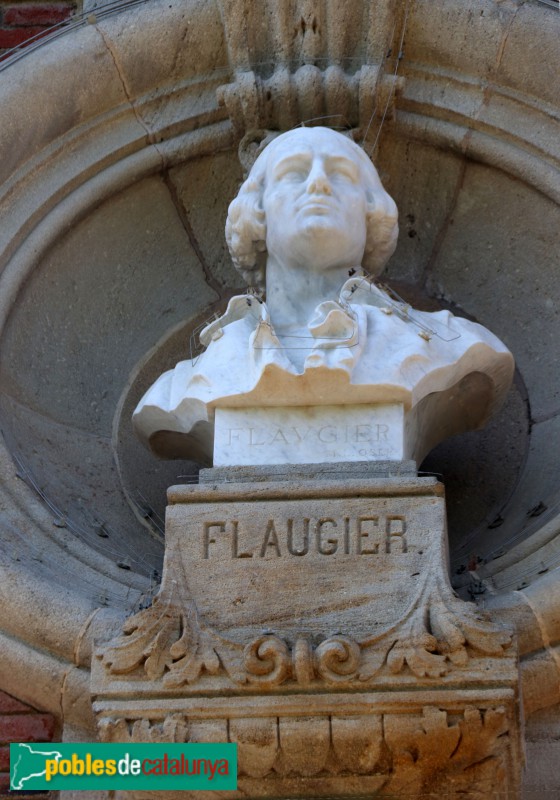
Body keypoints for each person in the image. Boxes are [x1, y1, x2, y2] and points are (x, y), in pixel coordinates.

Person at [133, 127, 514, 464]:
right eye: (295, 173)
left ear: (372, 213)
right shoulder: (187, 383)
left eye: (341, 174)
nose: (319, 184)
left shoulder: (452, 344)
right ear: (256, 212)